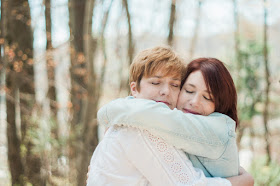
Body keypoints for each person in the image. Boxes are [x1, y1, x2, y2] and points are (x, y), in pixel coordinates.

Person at [87, 47, 253, 185]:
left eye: (175, 85)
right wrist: (243, 181)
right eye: (155, 82)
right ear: (134, 89)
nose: (166, 91)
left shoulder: (143, 123)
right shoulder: (141, 128)